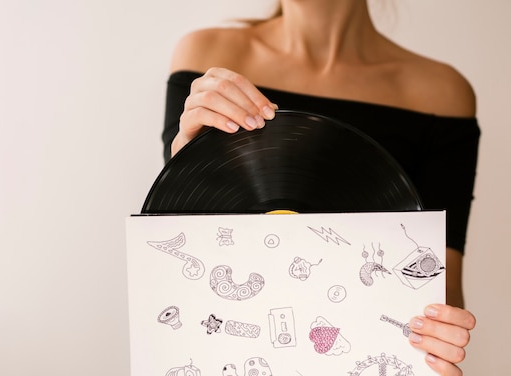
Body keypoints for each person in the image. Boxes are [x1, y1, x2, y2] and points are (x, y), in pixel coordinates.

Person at [161, 1, 479, 375]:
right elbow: (177, 245)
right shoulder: (207, 56)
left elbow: (441, 288)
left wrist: (439, 335)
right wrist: (186, 154)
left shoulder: (442, 93)